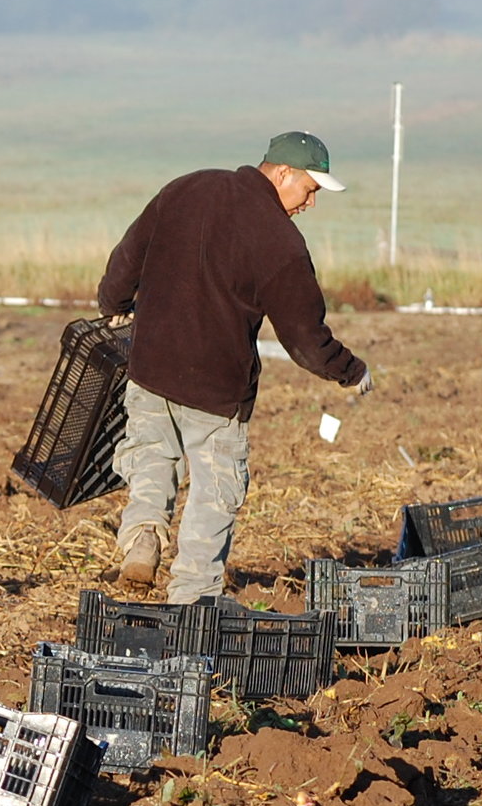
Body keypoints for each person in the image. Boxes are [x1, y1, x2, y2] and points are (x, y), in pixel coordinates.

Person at [96, 131, 371, 603]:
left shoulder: (185, 188)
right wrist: (350, 370)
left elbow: (127, 256)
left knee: (151, 460)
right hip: (217, 389)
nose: (310, 203)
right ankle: (191, 602)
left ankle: (143, 538)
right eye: (310, 189)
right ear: (283, 173)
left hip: (150, 367)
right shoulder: (280, 241)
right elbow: (305, 339)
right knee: (213, 492)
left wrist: (113, 302)